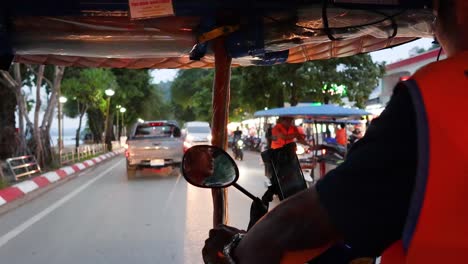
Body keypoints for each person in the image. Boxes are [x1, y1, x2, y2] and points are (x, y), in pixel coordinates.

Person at [202, 0, 468, 263]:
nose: (434, 26)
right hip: (280, 161)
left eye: (436, 11)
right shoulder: (280, 129)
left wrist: (233, 252)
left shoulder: (436, 95)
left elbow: (299, 225)